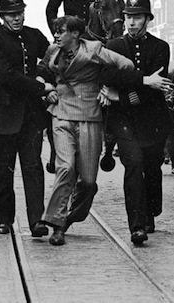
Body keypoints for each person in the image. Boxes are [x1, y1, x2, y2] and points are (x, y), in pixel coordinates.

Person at [37, 16, 133, 246]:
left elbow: (126, 65)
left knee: (88, 181)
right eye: (56, 32)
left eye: (61, 31)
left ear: (76, 34)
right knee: (66, 167)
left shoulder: (94, 49)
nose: (57, 35)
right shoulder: (52, 51)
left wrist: (108, 87)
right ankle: (56, 224)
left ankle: (70, 217)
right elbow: (39, 72)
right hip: (60, 113)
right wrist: (46, 88)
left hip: (88, 115)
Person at [0, 0, 55, 237]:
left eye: (19, 12)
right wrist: (40, 86)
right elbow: (7, 76)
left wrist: (43, 73)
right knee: (2, 170)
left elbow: (51, 56)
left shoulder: (34, 35)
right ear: (1, 15)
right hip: (2, 114)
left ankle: (37, 221)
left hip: (30, 115)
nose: (16, 17)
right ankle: (4, 219)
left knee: (33, 167)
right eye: (10, 14)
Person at [101, 0, 174, 245]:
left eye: (137, 17)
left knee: (152, 168)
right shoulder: (113, 47)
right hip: (124, 121)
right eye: (128, 17)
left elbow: (159, 87)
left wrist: (121, 93)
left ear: (147, 19)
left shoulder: (160, 48)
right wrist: (143, 81)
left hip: (153, 120)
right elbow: (108, 77)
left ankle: (150, 211)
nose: (131, 22)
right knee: (133, 166)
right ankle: (136, 225)